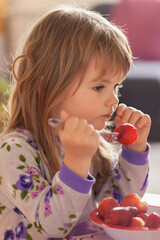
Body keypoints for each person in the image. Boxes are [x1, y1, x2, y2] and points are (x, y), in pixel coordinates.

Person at [0, 6, 151, 239]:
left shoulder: (93, 141)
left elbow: (117, 208)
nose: (113, 99)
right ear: (47, 86)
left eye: (116, 87)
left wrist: (135, 151)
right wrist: (77, 161)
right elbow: (53, 225)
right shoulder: (14, 150)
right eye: (99, 87)